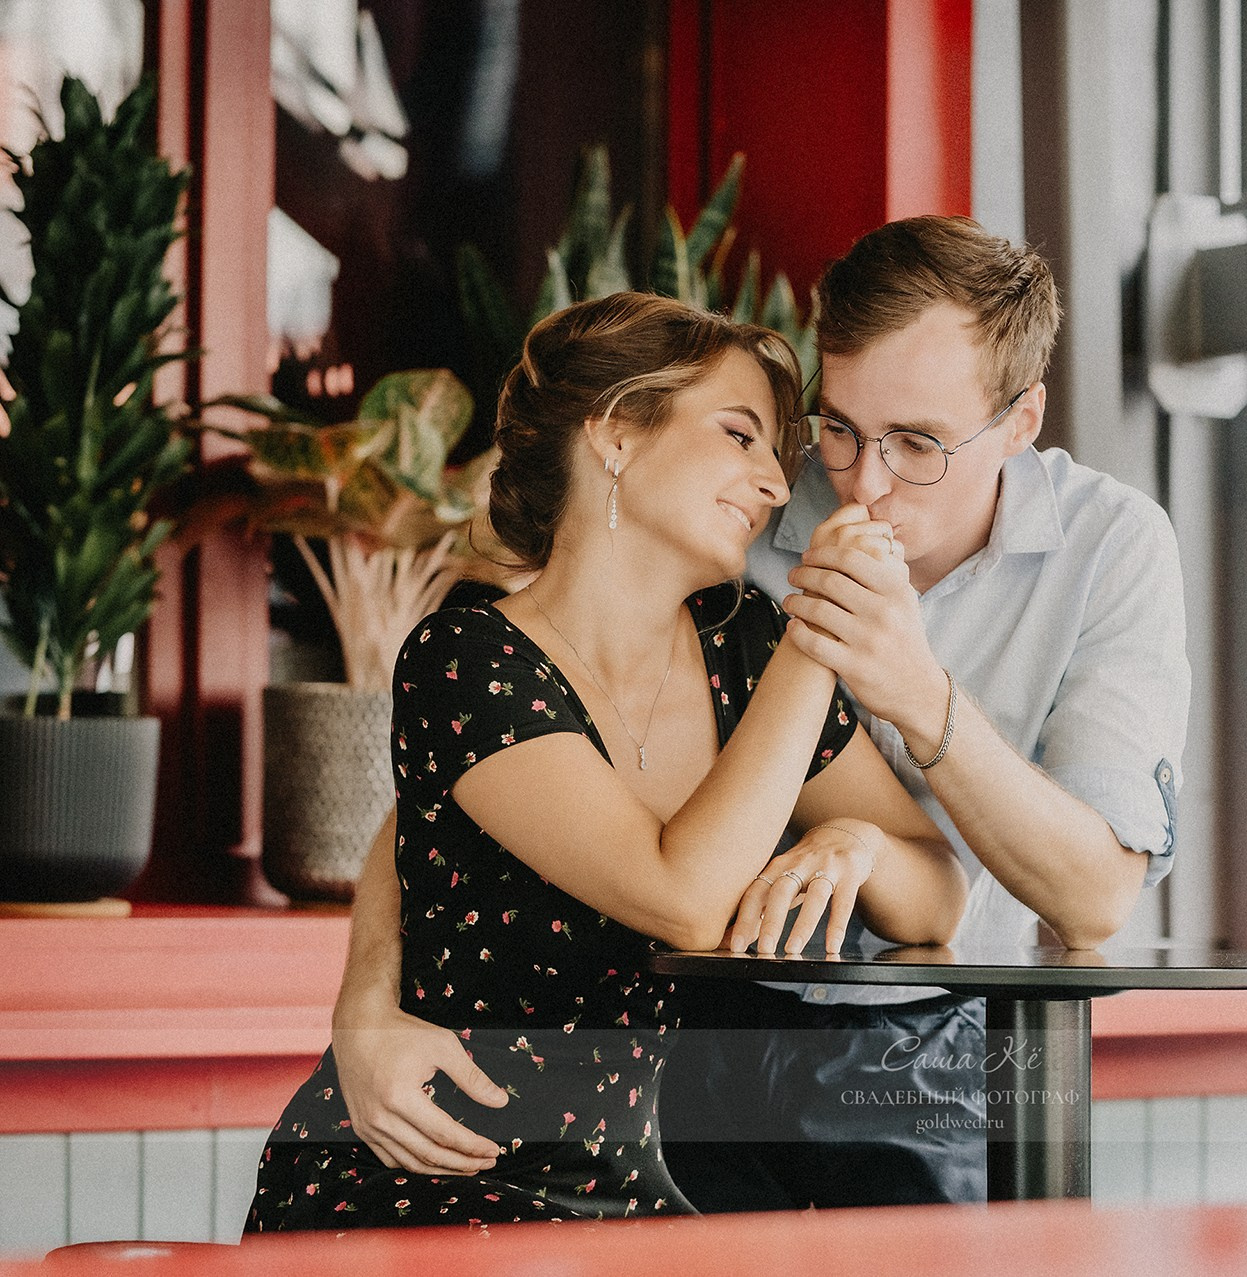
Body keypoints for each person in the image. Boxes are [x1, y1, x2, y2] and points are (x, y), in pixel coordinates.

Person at [329, 216, 1191, 1210]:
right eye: (836, 425)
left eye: (917, 444)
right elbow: (474, 778)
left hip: (952, 1037)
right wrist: (366, 997)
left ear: (1020, 420)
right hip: (696, 1042)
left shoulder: (1110, 547)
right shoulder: (730, 526)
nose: (855, 480)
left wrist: (908, 698)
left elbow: (1093, 902)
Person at [245, 292, 967, 1231]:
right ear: (617, 432)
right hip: (425, 1180)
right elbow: (683, 901)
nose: (777, 487)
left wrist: (855, 839)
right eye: (741, 436)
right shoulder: (466, 661)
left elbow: (938, 890)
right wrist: (816, 632)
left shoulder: (742, 648)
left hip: (626, 1194)